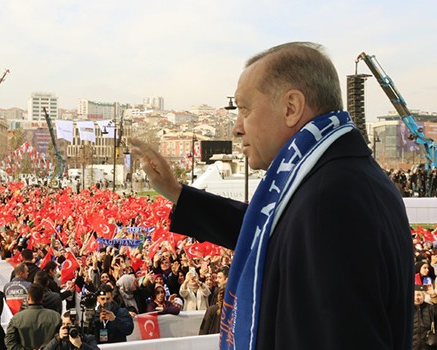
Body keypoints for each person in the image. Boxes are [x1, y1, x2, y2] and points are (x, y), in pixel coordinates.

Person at [131, 41, 413, 350]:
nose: (237, 128)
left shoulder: (329, 200)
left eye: (245, 109)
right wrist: (176, 192)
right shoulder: (337, 177)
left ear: (291, 107)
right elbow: (269, 235)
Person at [4, 284, 61, 349]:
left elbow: (9, 341)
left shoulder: (16, 318)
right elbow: (61, 338)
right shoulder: (55, 317)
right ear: (42, 297)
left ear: (28, 298)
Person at [413, 285, 437, 350]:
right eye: (413, 295)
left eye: (419, 295)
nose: (416, 298)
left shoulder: (430, 308)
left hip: (429, 346)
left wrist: (434, 296)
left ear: (423, 296)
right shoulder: (406, 309)